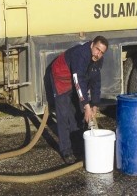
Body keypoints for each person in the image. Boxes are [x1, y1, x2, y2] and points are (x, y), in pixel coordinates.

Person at [44, 35, 108, 164]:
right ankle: (66, 151)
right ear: (92, 45)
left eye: (101, 52)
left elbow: (96, 81)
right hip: (61, 77)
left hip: (75, 81)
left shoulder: (98, 59)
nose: (98, 54)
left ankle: (78, 147)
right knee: (63, 115)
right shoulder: (80, 54)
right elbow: (78, 81)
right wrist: (86, 106)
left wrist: (94, 104)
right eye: (97, 49)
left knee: (78, 114)